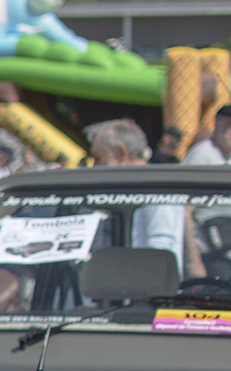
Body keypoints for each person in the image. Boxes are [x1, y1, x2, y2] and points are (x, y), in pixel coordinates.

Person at [84, 118, 196, 281]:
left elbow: (159, 262)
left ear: (121, 153)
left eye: (97, 158)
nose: (94, 166)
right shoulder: (124, 194)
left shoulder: (157, 192)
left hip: (146, 302)